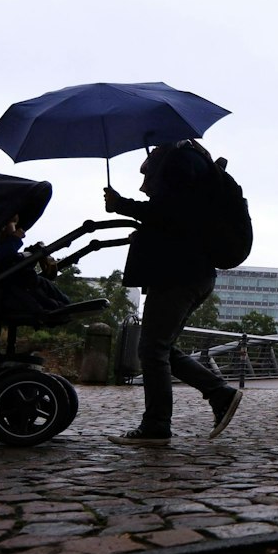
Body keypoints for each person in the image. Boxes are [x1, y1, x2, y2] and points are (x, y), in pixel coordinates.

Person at [103, 140, 243, 443]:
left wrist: (121, 205)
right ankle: (219, 394)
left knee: (152, 349)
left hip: (178, 273)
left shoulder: (181, 161)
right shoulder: (192, 164)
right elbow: (179, 219)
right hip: (193, 272)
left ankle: (156, 425)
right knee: (160, 347)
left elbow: (171, 213)